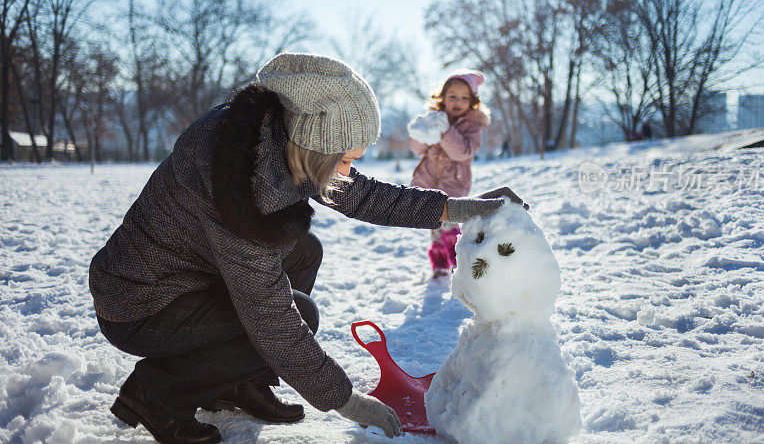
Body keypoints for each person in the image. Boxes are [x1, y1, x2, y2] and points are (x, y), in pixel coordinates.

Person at [89, 53, 525, 443]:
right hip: (140, 302)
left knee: (303, 249)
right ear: (318, 147)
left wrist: (464, 208)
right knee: (300, 314)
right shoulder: (243, 184)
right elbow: (271, 320)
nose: (349, 171)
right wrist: (346, 400)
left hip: (191, 273)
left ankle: (238, 383)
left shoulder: (281, 135)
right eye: (347, 159)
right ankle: (156, 395)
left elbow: (366, 196)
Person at [407, 69, 491, 279]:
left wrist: (445, 131)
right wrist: (421, 131)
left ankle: (459, 264)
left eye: (464, 98)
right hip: (427, 181)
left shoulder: (472, 126)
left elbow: (462, 152)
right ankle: (440, 264)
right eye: (452, 96)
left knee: (447, 224)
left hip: (452, 185)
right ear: (442, 98)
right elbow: (417, 149)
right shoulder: (434, 119)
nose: (458, 101)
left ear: (472, 102)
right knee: (434, 225)